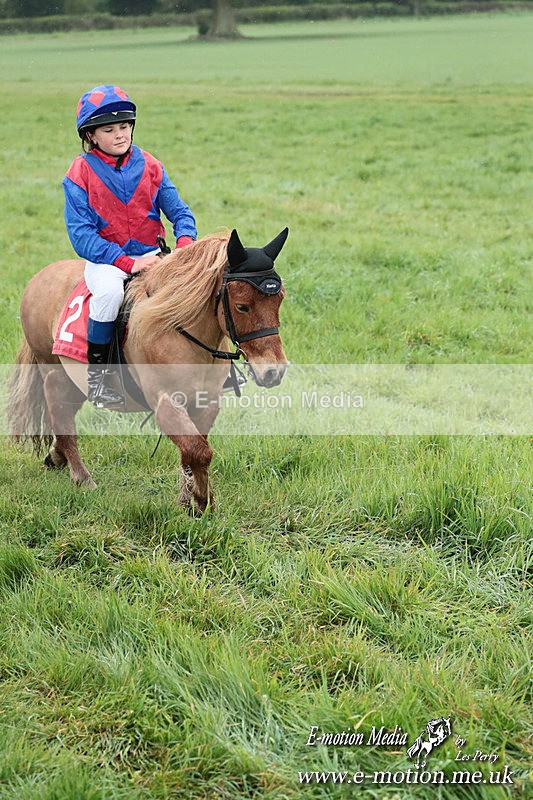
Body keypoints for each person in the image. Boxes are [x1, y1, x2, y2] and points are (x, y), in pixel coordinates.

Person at [63, 84, 197, 408]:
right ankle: (98, 377)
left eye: (124, 126)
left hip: (154, 255)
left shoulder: (151, 165)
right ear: (91, 136)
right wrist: (126, 263)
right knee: (109, 295)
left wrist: (184, 246)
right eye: (109, 129)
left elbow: (180, 212)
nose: (120, 134)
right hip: (106, 261)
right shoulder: (79, 173)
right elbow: (81, 235)